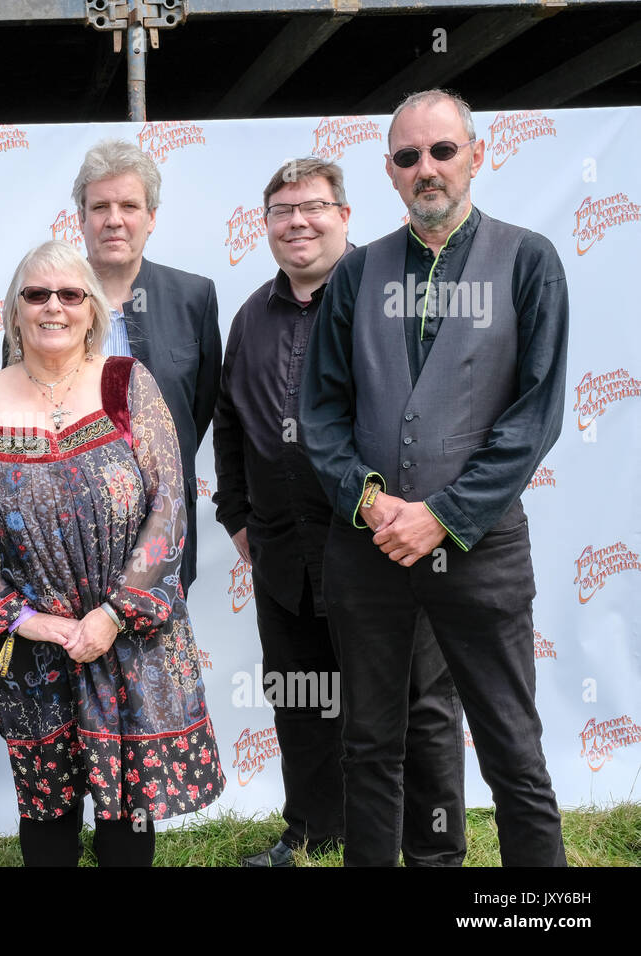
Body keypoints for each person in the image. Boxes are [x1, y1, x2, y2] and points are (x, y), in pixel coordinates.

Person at [300, 89, 569, 866]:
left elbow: (535, 416)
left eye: (442, 151)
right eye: (409, 156)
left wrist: (443, 514)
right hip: (369, 548)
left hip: (481, 553)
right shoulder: (356, 274)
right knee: (370, 746)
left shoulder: (527, 261)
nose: (427, 168)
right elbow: (321, 413)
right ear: (389, 172)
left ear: (476, 156)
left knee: (512, 750)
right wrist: (373, 503)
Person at [214, 156, 465, 867]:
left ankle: (432, 845)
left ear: (345, 216)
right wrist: (238, 518)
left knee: (414, 705)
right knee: (303, 700)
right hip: (282, 553)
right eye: (282, 211)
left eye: (314, 207)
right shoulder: (250, 316)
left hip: (381, 548)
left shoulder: (394, 300)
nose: (298, 222)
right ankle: (315, 831)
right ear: (265, 226)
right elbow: (230, 424)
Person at [0, 240, 226, 867]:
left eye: (70, 295)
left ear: (91, 310)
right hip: (36, 643)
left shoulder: (128, 384)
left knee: (127, 812)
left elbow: (168, 507)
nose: (53, 307)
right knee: (46, 809)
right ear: (15, 310)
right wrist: (23, 618)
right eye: (36, 294)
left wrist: (115, 613)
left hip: (126, 632)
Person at [5, 140, 221, 591]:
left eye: (129, 205)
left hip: (165, 533)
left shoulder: (194, 298)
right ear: (80, 218)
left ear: (152, 217)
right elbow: (13, 409)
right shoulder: (42, 301)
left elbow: (196, 411)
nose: (114, 219)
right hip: (60, 542)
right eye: (99, 206)